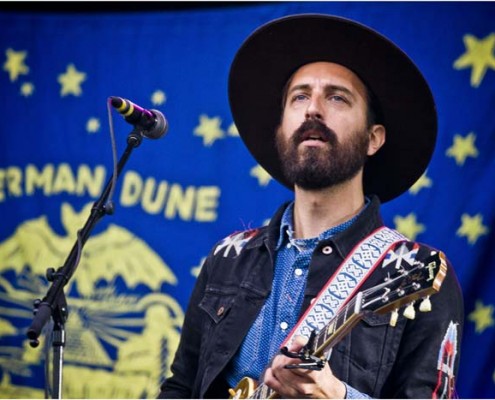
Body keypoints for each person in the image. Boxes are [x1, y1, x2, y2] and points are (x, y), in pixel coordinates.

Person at [158, 14, 464, 399]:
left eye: (336, 97)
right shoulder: (229, 256)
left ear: (374, 138)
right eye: (299, 96)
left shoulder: (419, 272)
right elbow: (181, 387)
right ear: (281, 129)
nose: (313, 109)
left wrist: (339, 397)